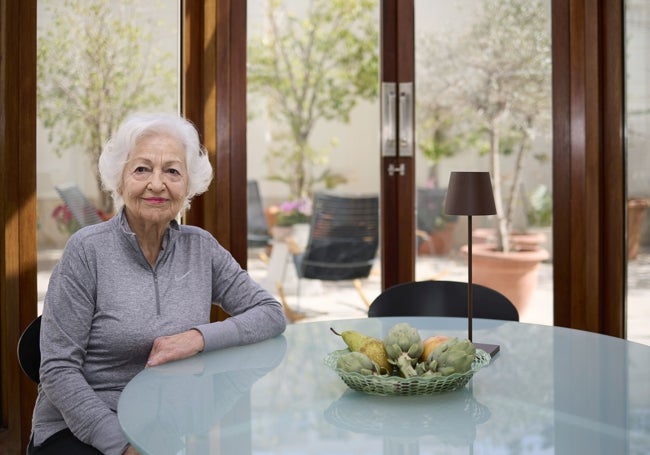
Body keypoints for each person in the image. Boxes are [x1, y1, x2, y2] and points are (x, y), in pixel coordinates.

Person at [28, 113, 287, 455]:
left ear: (188, 185)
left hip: (161, 424)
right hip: (82, 424)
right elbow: (58, 369)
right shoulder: (87, 250)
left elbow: (270, 314)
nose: (156, 184)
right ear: (119, 180)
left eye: (172, 171)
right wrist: (122, 445)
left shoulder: (201, 247)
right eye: (141, 169)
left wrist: (196, 338)